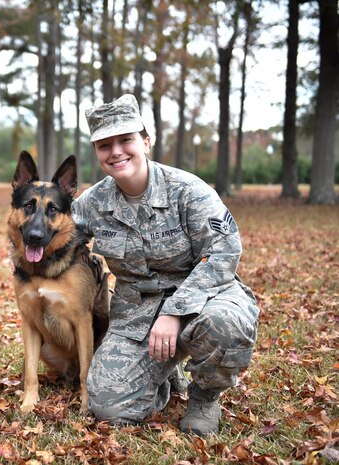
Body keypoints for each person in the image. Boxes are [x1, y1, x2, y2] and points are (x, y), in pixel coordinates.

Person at [72, 94, 259, 436]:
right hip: (137, 313)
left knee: (225, 324)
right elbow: (60, 240)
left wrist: (174, 312)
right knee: (109, 408)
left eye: (125, 140)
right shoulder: (91, 203)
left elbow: (223, 252)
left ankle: (204, 398)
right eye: (104, 145)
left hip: (204, 300)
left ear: (146, 140)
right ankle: (164, 372)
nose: (116, 151)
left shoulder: (188, 191)